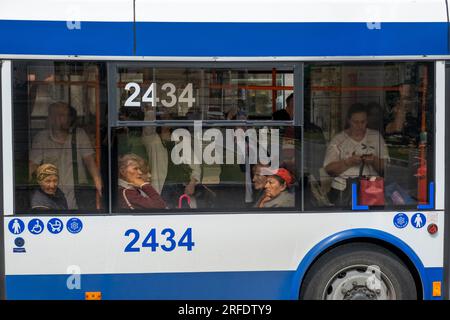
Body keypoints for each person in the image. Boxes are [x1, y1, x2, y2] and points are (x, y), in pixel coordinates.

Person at [29, 102, 102, 209]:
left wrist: (99, 186)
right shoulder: (42, 138)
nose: (67, 118)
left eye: (68, 115)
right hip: (51, 193)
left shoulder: (79, 135)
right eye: (61, 115)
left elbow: (90, 162)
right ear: (52, 118)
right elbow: (32, 166)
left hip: (78, 195)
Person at [323, 103, 389, 206]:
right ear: (349, 121)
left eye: (363, 122)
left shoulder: (375, 137)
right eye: (356, 122)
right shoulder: (338, 139)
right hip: (343, 190)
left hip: (371, 189)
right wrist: (348, 162)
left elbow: (386, 169)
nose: (359, 126)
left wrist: (374, 161)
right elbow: (329, 170)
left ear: (367, 121)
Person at [142, 113, 201, 208]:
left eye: (169, 117)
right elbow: (147, 129)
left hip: (182, 187)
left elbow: (195, 166)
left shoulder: (181, 140)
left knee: (185, 216)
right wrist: (150, 111)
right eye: (164, 117)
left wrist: (192, 183)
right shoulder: (152, 140)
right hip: (162, 187)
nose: (167, 120)